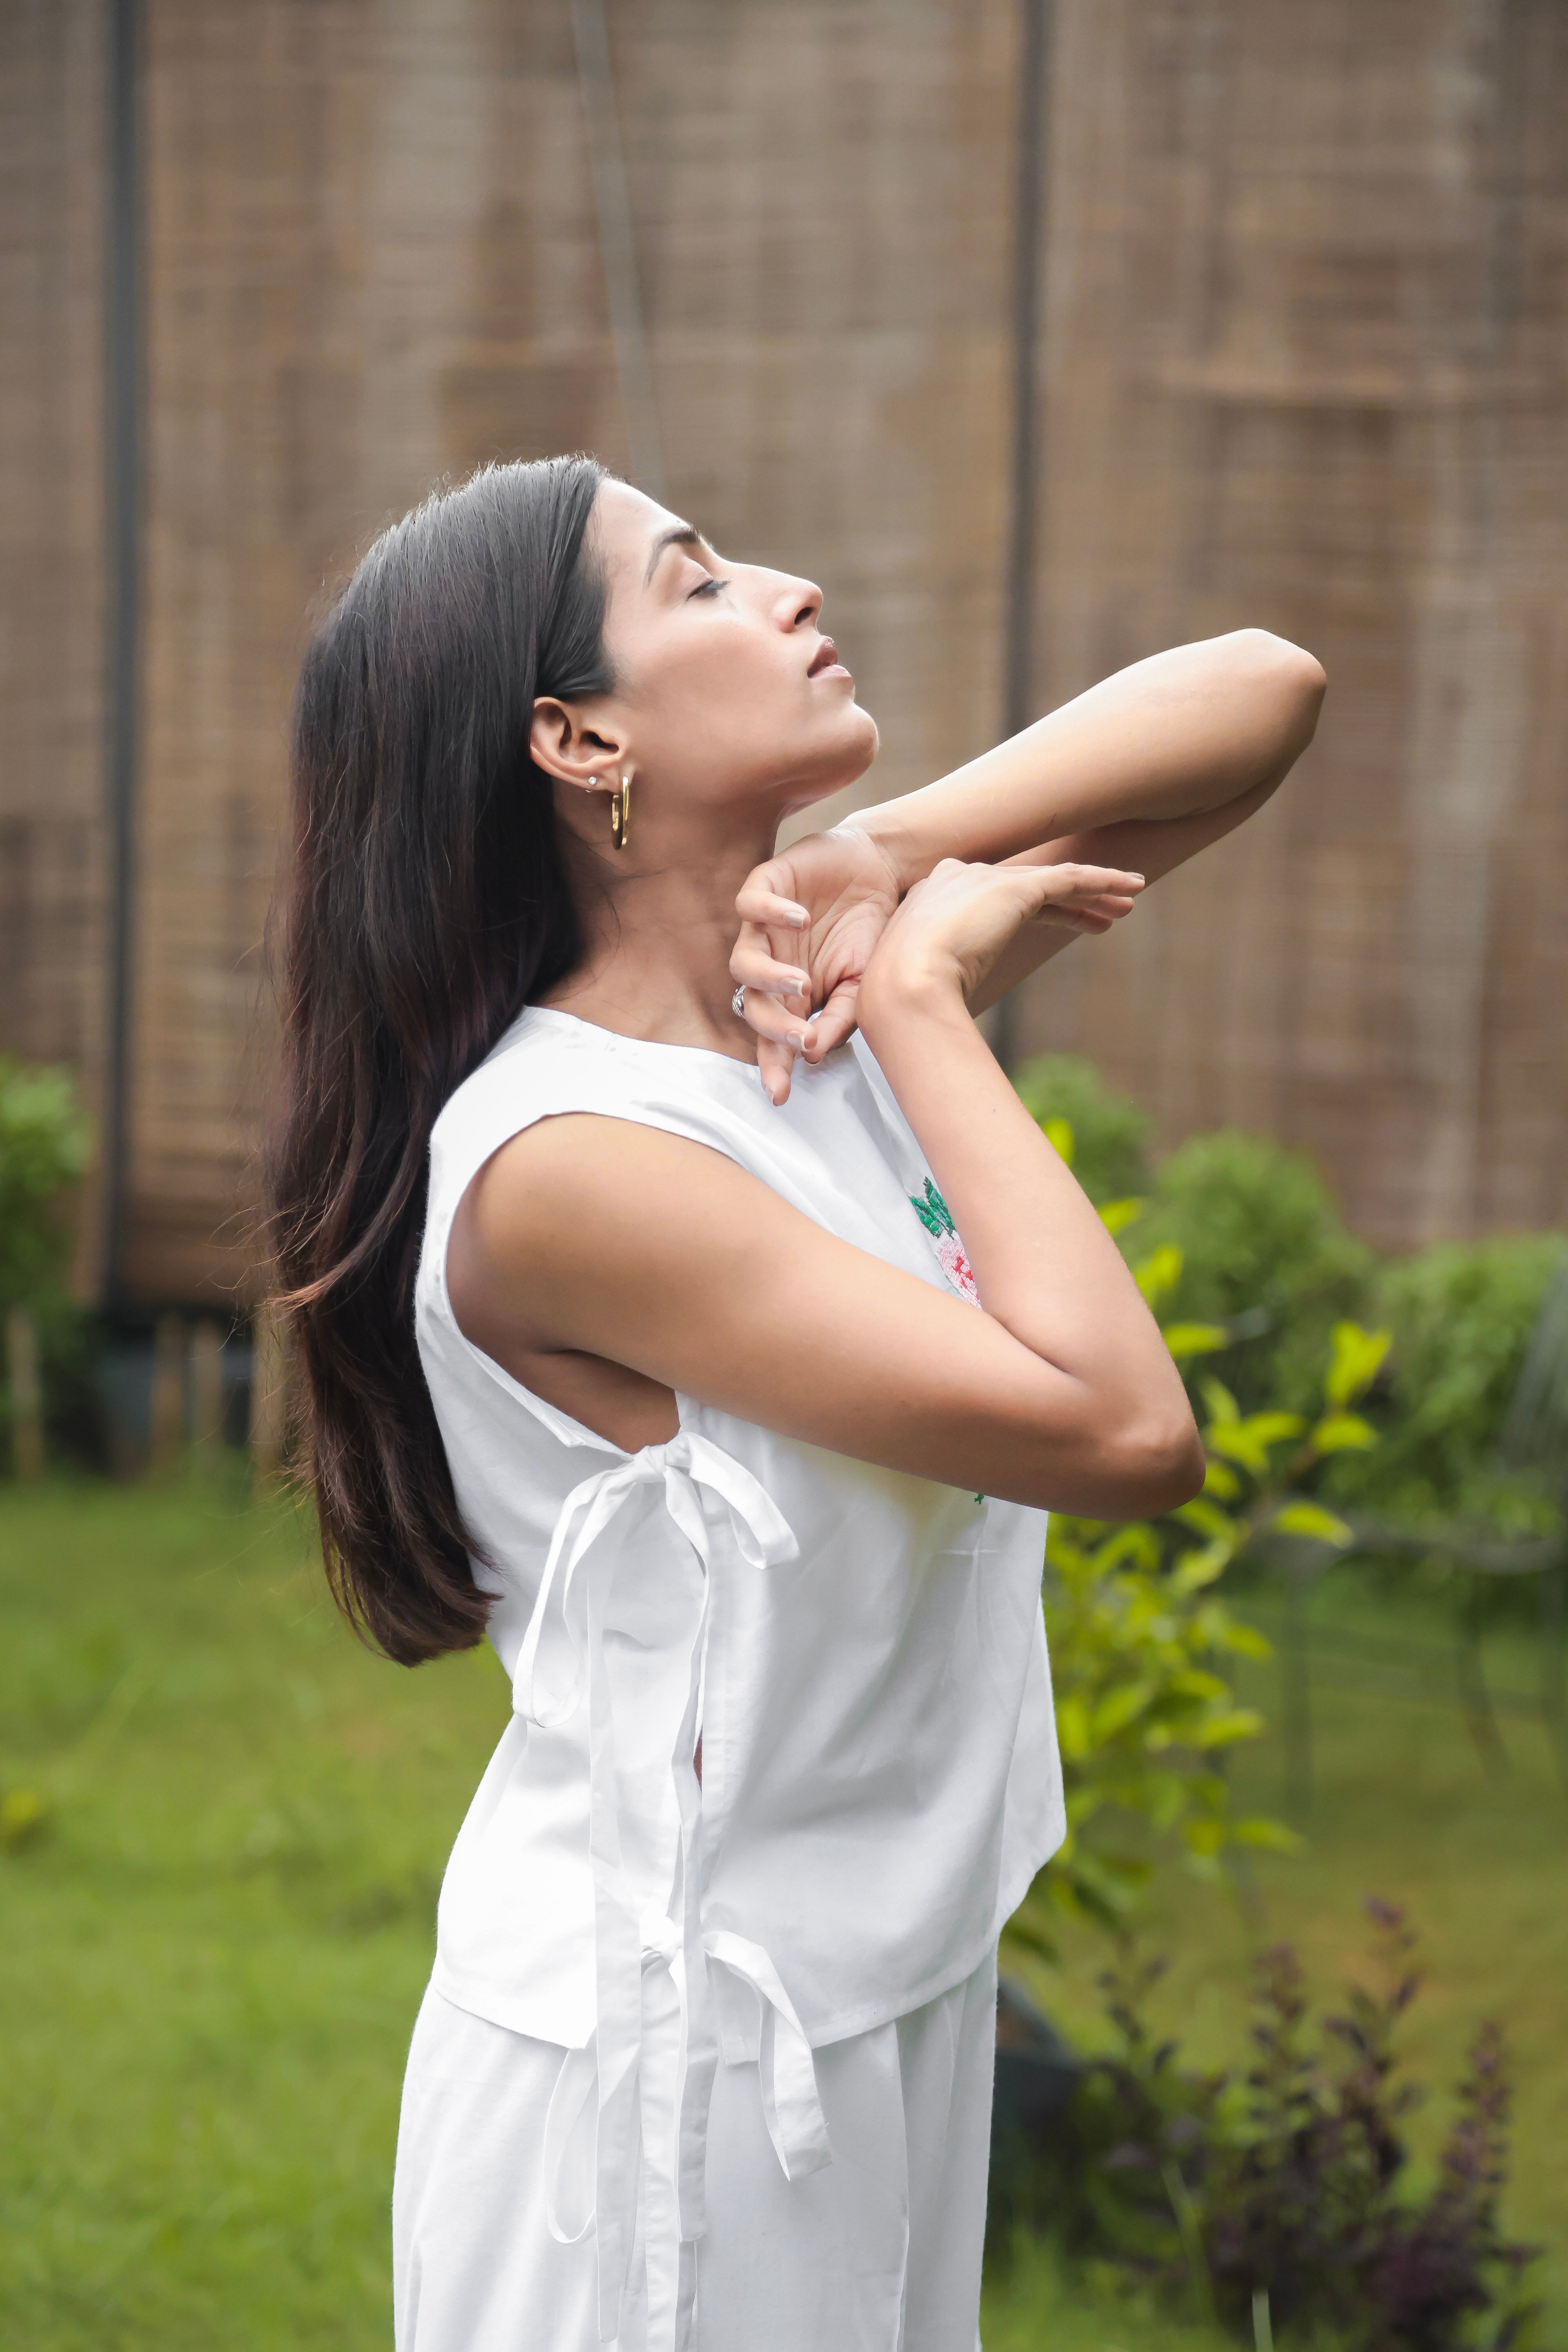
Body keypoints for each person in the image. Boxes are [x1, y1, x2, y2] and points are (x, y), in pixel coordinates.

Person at [267, 455, 1325, 2352]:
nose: (786, 584)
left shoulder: (789, 997)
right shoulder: (577, 1164)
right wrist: (925, 1001)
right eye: (695, 584)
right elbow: (1119, 1435)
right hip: (668, 2080)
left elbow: (1263, 688)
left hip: (879, 2002)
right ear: (577, 739)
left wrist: (889, 850)